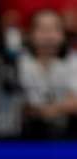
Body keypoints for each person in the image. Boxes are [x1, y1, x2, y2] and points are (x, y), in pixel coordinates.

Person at [18, 8, 77, 137]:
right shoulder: (19, 63)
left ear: (63, 35)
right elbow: (16, 105)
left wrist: (46, 111)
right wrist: (62, 107)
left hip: (69, 135)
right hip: (24, 135)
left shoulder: (74, 61)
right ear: (30, 34)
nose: (48, 35)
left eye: (54, 29)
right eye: (42, 29)